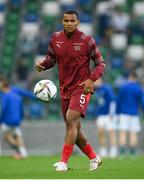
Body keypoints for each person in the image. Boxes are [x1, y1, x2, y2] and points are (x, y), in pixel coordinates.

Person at [35, 10, 105, 171]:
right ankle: (94, 157)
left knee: (71, 119)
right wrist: (42, 65)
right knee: (74, 128)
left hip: (82, 87)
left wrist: (91, 79)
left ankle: (63, 162)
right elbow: (51, 59)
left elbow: (101, 63)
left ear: (77, 22)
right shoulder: (55, 39)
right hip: (64, 88)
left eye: (72, 21)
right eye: (66, 20)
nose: (69, 23)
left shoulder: (87, 40)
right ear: (62, 21)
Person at [0, 75, 35, 159]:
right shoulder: (11, 91)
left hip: (8, 119)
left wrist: (36, 96)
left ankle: (21, 151)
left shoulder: (6, 94)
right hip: (16, 119)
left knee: (8, 136)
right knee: (17, 134)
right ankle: (22, 152)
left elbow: (4, 109)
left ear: (3, 82)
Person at [116, 71, 144, 156]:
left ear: (130, 77)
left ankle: (122, 152)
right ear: (136, 78)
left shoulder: (124, 87)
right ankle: (132, 153)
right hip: (134, 114)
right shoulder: (139, 88)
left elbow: (119, 101)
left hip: (124, 113)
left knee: (123, 132)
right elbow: (142, 102)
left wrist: (117, 112)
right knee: (133, 133)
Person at [94, 78, 118, 158]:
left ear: (100, 80)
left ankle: (113, 150)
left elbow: (112, 101)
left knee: (111, 133)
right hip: (100, 115)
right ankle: (103, 150)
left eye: (95, 81)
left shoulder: (107, 88)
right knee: (100, 133)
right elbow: (97, 104)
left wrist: (112, 113)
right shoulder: (96, 90)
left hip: (108, 115)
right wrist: (97, 115)